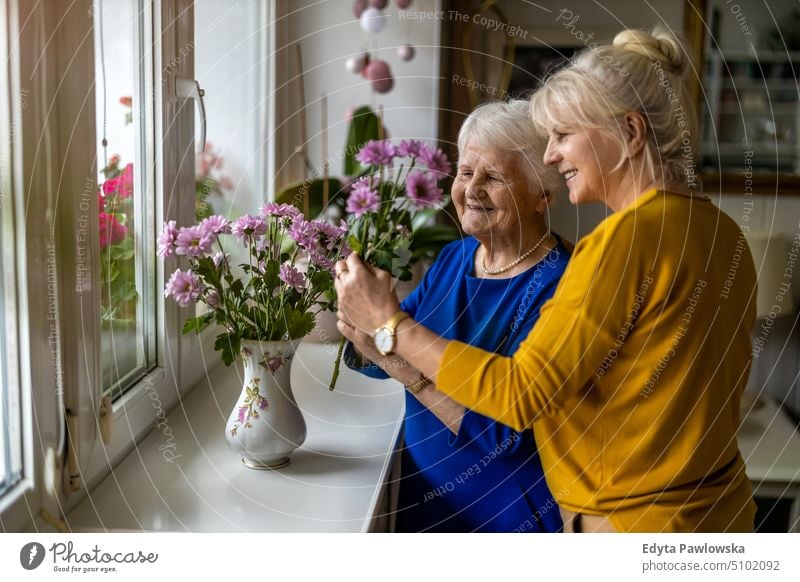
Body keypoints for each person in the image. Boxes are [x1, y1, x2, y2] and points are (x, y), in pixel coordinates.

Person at [334, 28, 758, 533]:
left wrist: (390, 325)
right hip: (718, 516)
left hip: (639, 526)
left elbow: (517, 395)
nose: (554, 156)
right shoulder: (723, 232)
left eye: (563, 134)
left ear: (629, 132)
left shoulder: (620, 245)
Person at [343, 100, 570, 532]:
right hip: (424, 504)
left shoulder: (559, 285)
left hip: (503, 520)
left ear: (542, 195)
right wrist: (358, 309)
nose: (472, 189)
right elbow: (379, 349)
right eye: (466, 173)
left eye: (494, 177)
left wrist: (393, 352)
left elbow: (502, 437)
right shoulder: (455, 257)